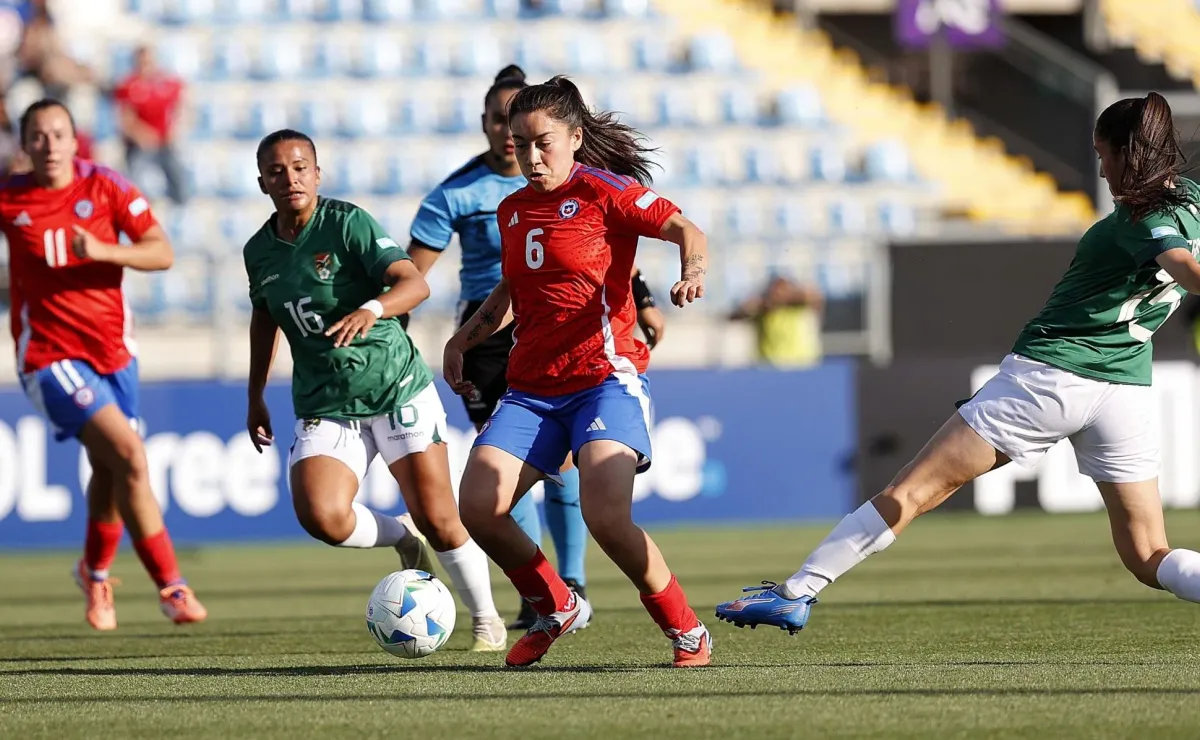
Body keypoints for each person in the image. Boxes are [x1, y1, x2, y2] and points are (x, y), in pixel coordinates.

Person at [715, 92, 1200, 634]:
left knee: (910, 492)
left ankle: (795, 592)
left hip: (1051, 378)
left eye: (1103, 153)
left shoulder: (1140, 219)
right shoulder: (1193, 203)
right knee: (1149, 554)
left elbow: (1180, 263)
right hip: (1127, 391)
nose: (1103, 167)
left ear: (1125, 151)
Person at [444, 76, 711, 668]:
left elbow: (686, 230)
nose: (531, 156)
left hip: (603, 379)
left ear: (574, 137)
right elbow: (512, 289)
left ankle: (686, 629)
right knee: (478, 506)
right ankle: (555, 603)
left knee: (606, 517)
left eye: (543, 142)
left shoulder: (603, 192)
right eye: (519, 144)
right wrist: (463, 339)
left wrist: (691, 270)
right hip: (532, 389)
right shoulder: (512, 210)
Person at [406, 64, 666, 630]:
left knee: (587, 488)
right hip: (508, 349)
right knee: (491, 490)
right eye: (507, 128)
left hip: (592, 355)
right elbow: (448, 278)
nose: (518, 145)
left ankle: (593, 591)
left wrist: (653, 291)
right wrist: (450, 337)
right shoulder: (475, 197)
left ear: (569, 135)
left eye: (531, 136)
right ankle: (549, 597)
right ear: (488, 125)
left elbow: (628, 241)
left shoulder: (590, 186)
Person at [243, 128, 507, 652]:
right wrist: (255, 395)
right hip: (325, 399)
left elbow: (415, 283)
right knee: (323, 517)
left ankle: (486, 620)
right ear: (262, 182)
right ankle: (401, 537)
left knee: (440, 518)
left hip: (394, 385)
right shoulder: (259, 251)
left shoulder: (347, 223)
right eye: (277, 171)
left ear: (317, 174)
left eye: (300, 167)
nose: (290, 177)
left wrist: (371, 308)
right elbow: (264, 320)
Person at [0, 98, 206, 630]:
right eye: (38, 136)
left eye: (58, 134)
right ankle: (172, 587)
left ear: (74, 140)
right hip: (48, 356)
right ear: (24, 145)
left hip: (114, 351)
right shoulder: (9, 198)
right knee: (130, 455)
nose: (49, 145)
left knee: (113, 469)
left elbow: (161, 252)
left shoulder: (106, 186)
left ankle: (94, 575)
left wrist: (103, 251)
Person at [112, 45, 187, 205]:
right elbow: (125, 118)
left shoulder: (167, 83)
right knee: (134, 177)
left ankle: (181, 204)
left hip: (165, 142)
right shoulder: (128, 86)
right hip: (140, 144)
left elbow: (181, 108)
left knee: (178, 174)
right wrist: (141, 134)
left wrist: (174, 129)